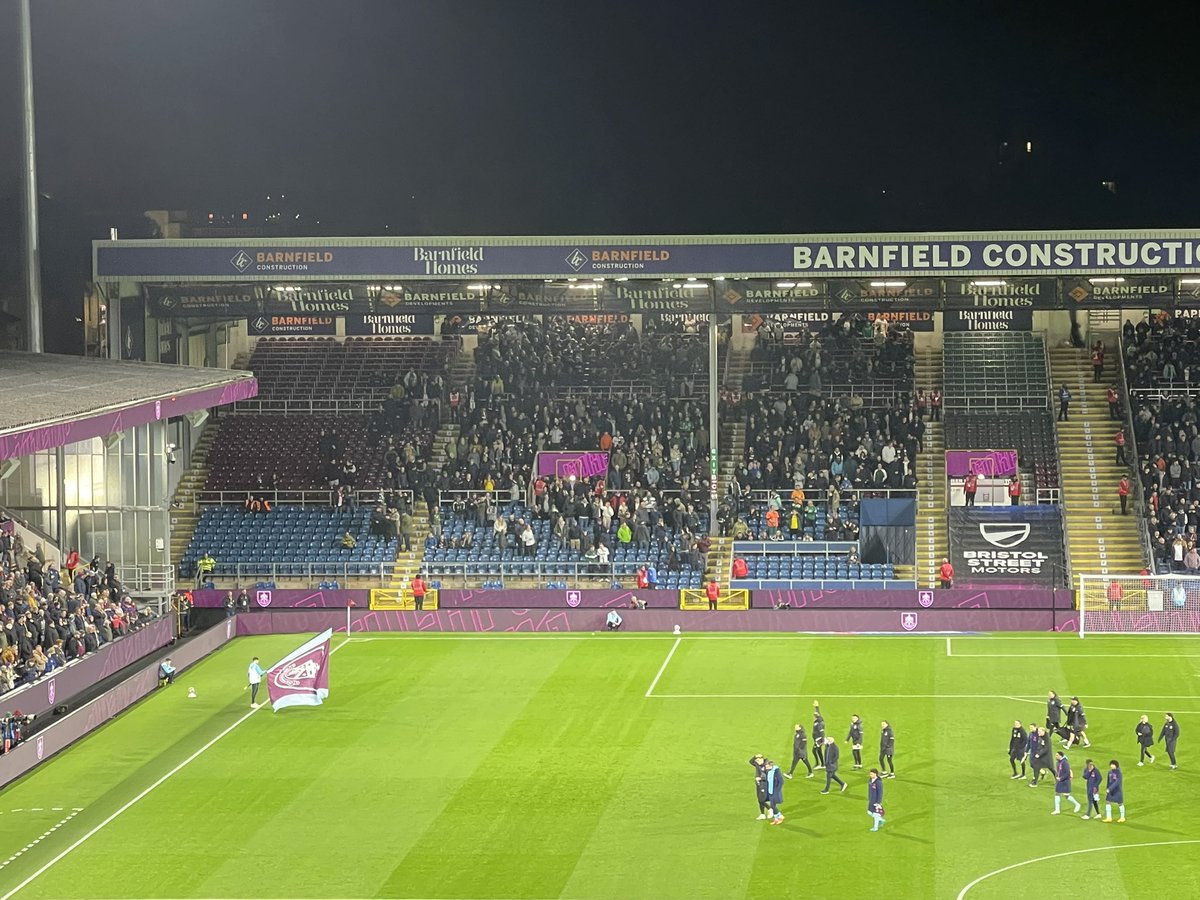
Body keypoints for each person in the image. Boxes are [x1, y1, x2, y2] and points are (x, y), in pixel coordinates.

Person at [1051, 751, 1082, 815]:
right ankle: (1057, 810)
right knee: (1057, 793)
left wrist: (1061, 778)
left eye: (1057, 755)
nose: (1056, 756)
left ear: (1060, 756)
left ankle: (1077, 804)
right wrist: (1056, 777)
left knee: (1066, 796)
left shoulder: (1065, 763)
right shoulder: (1057, 763)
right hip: (1059, 781)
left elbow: (1067, 773)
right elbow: (1057, 771)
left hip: (1065, 781)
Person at [748, 753, 770, 819]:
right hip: (758, 784)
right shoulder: (758, 764)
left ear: (762, 759)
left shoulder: (767, 766)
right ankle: (762, 814)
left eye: (758, 760)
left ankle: (770, 809)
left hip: (764, 784)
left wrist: (760, 778)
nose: (757, 762)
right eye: (756, 760)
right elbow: (751, 761)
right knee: (759, 799)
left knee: (761, 800)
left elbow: (769, 777)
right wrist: (755, 756)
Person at [764, 759, 784, 824]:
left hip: (774, 791)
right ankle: (776, 819)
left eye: (767, 766)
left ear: (770, 766)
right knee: (773, 806)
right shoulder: (768, 771)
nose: (766, 768)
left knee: (772, 806)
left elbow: (781, 781)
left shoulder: (776, 770)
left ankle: (780, 816)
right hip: (770, 791)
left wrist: (777, 790)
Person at [812, 700, 826, 769]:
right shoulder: (818, 720)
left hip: (819, 740)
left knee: (814, 750)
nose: (813, 717)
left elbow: (822, 732)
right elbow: (818, 713)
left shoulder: (819, 723)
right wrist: (816, 707)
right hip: (817, 739)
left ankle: (818, 764)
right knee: (819, 751)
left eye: (814, 716)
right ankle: (823, 764)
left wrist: (822, 741)